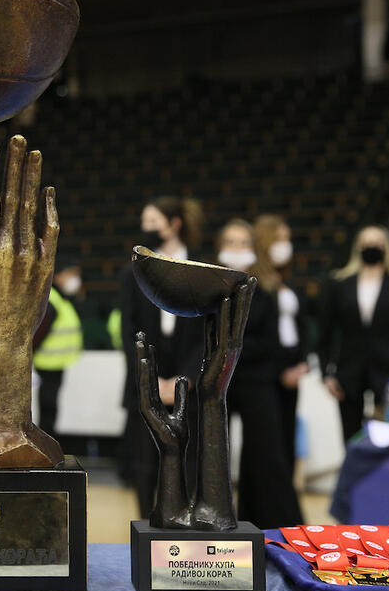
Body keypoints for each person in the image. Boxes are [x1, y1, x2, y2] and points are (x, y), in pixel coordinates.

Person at [117, 196, 206, 518]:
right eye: (144, 223)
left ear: (174, 224)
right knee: (144, 461)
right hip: (146, 377)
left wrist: (185, 379)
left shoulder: (199, 268)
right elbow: (127, 329)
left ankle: (185, 521)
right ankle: (147, 525)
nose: (146, 229)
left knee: (190, 457)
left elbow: (205, 333)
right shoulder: (133, 272)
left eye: (153, 222)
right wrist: (148, 377)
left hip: (188, 380)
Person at [217, 219, 303, 529]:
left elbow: (269, 341)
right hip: (220, 382)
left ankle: (279, 527)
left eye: (243, 243)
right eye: (231, 242)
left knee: (266, 456)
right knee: (214, 457)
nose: (237, 249)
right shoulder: (211, 284)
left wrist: (231, 346)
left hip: (257, 379)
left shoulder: (266, 288)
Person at [318, 225, 389, 442]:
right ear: (357, 247)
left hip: (385, 372)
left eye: (377, 243)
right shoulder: (339, 285)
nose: (371, 247)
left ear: (388, 248)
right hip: (347, 372)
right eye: (366, 243)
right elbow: (324, 333)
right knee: (350, 439)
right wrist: (326, 374)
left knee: (386, 437)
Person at [253, 214, 309, 472]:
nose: (285, 246)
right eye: (279, 240)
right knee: (270, 440)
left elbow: (301, 327)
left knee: (287, 436)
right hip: (268, 369)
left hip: (292, 366)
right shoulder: (257, 284)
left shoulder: (288, 283)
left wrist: (302, 364)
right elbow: (264, 335)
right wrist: (280, 370)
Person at [33, 257, 84, 438]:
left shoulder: (61, 299)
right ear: (58, 277)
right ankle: (45, 442)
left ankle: (48, 440)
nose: (75, 279)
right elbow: (36, 335)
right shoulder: (52, 301)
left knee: (50, 408)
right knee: (48, 407)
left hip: (55, 364)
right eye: (71, 274)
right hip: (46, 364)